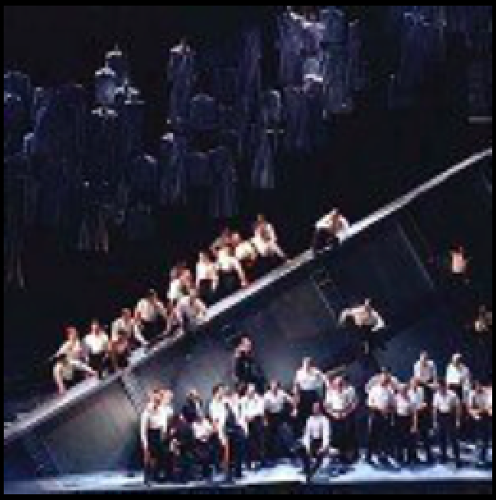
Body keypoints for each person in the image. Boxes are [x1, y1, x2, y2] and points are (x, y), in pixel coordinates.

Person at [141, 389, 174, 484]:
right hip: (151, 434)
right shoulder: (147, 412)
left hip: (160, 434)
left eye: (158, 400)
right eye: (155, 400)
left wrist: (165, 433)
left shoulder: (162, 410)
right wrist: (145, 443)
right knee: (149, 456)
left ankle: (156, 476)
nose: (157, 401)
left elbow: (164, 422)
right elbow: (143, 430)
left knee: (159, 457)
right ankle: (147, 478)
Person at [324, 375, 359, 464]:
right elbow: (327, 405)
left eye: (340, 383)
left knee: (346, 436)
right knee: (335, 436)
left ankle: (345, 456)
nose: (338, 385)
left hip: (345, 416)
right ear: (334, 383)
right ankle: (334, 457)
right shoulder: (330, 392)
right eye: (337, 383)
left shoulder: (348, 391)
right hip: (334, 416)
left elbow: (354, 403)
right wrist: (333, 413)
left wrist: (345, 413)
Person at [53, 327, 96, 395]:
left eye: (75, 333)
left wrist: (84, 357)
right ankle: (61, 388)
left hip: (79, 363)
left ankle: (93, 373)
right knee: (56, 368)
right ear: (69, 336)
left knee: (78, 362)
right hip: (69, 365)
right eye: (72, 333)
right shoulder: (66, 345)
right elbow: (59, 354)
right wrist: (58, 355)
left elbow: (84, 354)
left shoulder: (80, 342)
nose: (75, 334)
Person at [366, 371, 396, 464]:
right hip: (375, 414)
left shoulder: (390, 391)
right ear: (380, 379)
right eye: (383, 379)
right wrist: (379, 409)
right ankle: (368, 456)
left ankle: (382, 456)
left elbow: (392, 404)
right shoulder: (374, 389)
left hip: (386, 415)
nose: (384, 380)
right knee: (372, 436)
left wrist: (388, 410)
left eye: (386, 379)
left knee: (384, 437)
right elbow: (369, 403)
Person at [298, 402, 332, 482]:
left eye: (317, 408)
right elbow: (307, 434)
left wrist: (323, 448)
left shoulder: (324, 420)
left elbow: (326, 435)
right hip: (313, 441)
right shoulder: (310, 419)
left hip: (321, 442)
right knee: (300, 448)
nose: (315, 409)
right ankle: (306, 468)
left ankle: (311, 473)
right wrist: (307, 447)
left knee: (320, 454)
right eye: (314, 407)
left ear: (320, 409)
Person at [264, 380, 296, 461]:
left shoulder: (282, 393)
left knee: (287, 433)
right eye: (272, 386)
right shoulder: (266, 396)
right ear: (270, 387)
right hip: (270, 416)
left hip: (280, 415)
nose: (274, 388)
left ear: (278, 387)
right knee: (270, 436)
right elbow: (264, 410)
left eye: (275, 386)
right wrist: (265, 420)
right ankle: (271, 456)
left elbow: (292, 400)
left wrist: (294, 409)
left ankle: (291, 453)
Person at [433, 380, 462, 467]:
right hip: (441, 416)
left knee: (453, 439)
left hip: (450, 416)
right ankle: (443, 457)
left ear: (445, 386)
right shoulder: (436, 395)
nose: (440, 389)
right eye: (438, 388)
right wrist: (435, 421)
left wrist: (458, 420)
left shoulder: (452, 394)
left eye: (441, 387)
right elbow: (435, 409)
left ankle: (457, 459)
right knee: (442, 439)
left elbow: (458, 408)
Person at [294, 358, 326, 433]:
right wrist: (296, 393)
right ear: (303, 364)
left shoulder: (315, 371)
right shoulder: (299, 372)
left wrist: (327, 385)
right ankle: (305, 429)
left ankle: (318, 428)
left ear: (310, 365)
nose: (306, 366)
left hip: (313, 393)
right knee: (303, 411)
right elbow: (296, 383)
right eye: (305, 364)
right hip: (303, 393)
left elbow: (324, 377)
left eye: (308, 364)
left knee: (315, 410)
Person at [241, 384, 267, 469]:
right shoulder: (243, 400)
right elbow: (242, 411)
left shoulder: (258, 398)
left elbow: (260, 410)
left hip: (257, 420)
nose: (251, 392)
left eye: (253, 390)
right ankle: (250, 462)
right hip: (246, 422)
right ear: (246, 391)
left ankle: (262, 460)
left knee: (260, 442)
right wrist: (247, 417)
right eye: (250, 390)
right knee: (250, 443)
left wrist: (252, 416)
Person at [408, 377, 434, 464]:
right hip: (412, 416)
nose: (414, 384)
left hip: (422, 416)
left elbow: (425, 403)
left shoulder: (422, 390)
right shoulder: (408, 392)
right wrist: (414, 410)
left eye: (416, 383)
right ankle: (414, 457)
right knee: (413, 438)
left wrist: (418, 408)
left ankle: (429, 456)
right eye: (413, 383)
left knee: (425, 437)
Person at [466, 382, 492, 465]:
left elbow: (488, 407)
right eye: (477, 386)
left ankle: (483, 457)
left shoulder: (487, 393)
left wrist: (481, 410)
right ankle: (477, 457)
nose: (478, 388)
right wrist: (475, 413)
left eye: (480, 386)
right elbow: (469, 408)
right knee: (478, 439)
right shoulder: (472, 394)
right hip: (475, 418)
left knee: (485, 439)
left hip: (486, 417)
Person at [394, 384, 417, 466]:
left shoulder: (411, 399)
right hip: (398, 420)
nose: (403, 391)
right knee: (399, 440)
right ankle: (399, 457)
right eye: (401, 389)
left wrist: (414, 425)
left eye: (404, 389)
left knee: (409, 440)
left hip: (408, 420)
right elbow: (393, 410)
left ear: (407, 390)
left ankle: (409, 458)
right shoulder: (396, 398)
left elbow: (414, 413)